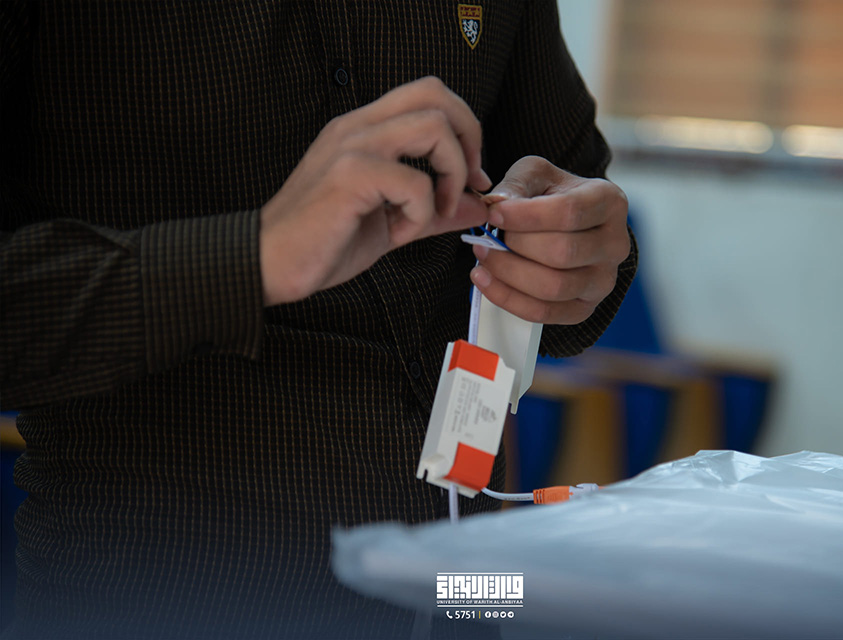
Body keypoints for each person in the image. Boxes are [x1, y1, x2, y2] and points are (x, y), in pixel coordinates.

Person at [0, 2, 637, 638]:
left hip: (463, 599)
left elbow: (578, 210)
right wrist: (253, 255)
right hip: (164, 605)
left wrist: (580, 254)